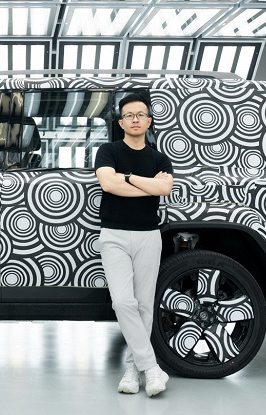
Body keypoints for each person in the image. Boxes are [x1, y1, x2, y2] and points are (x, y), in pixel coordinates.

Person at [94, 92, 174, 397]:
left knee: (143, 305)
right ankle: (151, 368)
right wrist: (147, 183)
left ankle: (132, 369)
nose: (135, 119)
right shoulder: (108, 150)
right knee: (122, 302)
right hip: (113, 235)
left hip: (148, 235)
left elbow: (165, 188)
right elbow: (108, 184)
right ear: (121, 122)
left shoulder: (159, 158)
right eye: (129, 115)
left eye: (140, 115)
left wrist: (127, 178)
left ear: (149, 121)